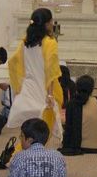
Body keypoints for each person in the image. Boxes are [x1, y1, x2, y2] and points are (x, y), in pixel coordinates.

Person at [7, 8, 64, 143]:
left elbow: (13, 62)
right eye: (51, 21)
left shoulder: (25, 42)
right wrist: (50, 95)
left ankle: (21, 153)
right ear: (47, 24)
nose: (52, 24)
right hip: (43, 91)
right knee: (42, 131)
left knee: (28, 132)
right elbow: (50, 70)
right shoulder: (49, 42)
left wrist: (18, 87)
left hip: (27, 90)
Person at [60, 75, 97, 155]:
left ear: (77, 87)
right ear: (92, 88)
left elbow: (69, 127)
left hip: (78, 145)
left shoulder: (72, 104)